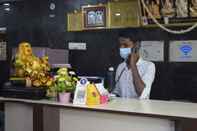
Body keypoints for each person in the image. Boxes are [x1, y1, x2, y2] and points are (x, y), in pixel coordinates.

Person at [112, 31, 156, 99]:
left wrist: (133, 65)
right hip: (122, 108)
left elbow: (142, 93)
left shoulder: (149, 66)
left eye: (125, 45)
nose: (121, 48)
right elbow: (117, 92)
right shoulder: (120, 67)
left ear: (137, 45)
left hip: (139, 109)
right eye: (120, 45)